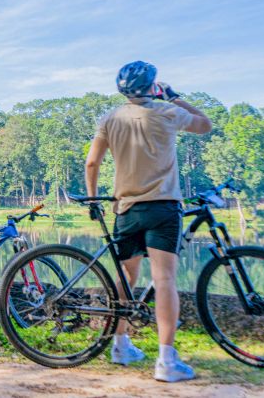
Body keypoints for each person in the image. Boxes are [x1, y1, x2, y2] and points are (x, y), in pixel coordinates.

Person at [84, 61, 212, 382]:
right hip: (163, 208)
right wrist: (174, 96)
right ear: (152, 87)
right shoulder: (167, 112)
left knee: (126, 278)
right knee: (165, 280)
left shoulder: (109, 119)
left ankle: (120, 345)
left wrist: (93, 199)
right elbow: (205, 124)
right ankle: (166, 360)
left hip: (125, 208)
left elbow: (92, 162)